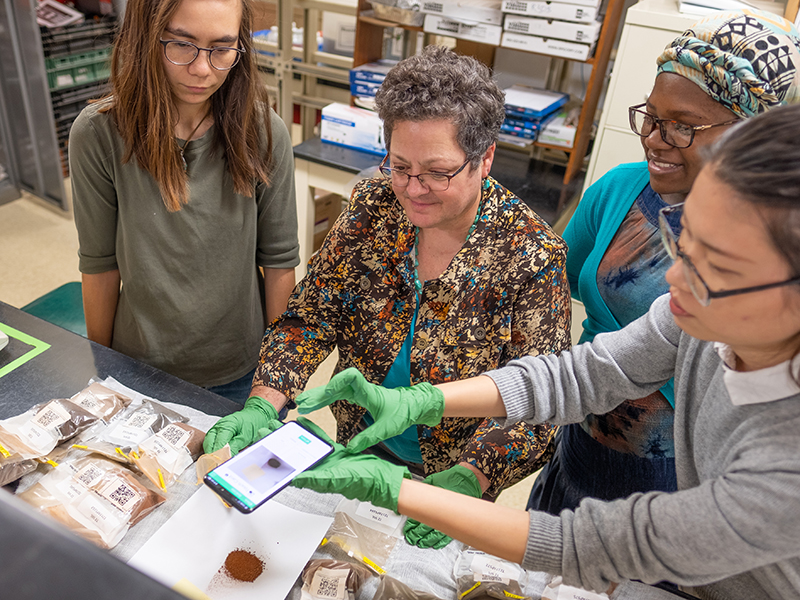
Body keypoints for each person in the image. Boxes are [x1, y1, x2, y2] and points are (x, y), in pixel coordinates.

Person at [285, 102, 800, 599]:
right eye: (683, 241)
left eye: (718, 267)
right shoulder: (696, 319)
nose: (673, 278)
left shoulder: (786, 464)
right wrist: (423, 401)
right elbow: (580, 376)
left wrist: (398, 491)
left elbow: (594, 543)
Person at [204, 46, 571, 546]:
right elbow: (310, 318)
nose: (412, 188)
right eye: (399, 166)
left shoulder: (530, 254)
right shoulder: (372, 207)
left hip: (452, 472)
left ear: (484, 158)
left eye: (437, 173)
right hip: (357, 445)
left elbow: (541, 399)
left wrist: (473, 476)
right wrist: (265, 403)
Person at [529, 9, 800, 513]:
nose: (654, 137)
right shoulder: (617, 193)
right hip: (579, 457)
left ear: (753, 136)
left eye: (682, 126)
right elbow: (554, 314)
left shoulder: (776, 261)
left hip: (678, 489)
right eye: (651, 116)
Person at [70, 0, 299, 403]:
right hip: (137, 368)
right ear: (144, 39)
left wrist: (274, 379)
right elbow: (100, 264)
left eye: (222, 48)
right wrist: (102, 369)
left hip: (241, 369)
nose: (202, 69)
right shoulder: (99, 133)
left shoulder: (264, 131)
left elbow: (280, 261)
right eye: (181, 44)